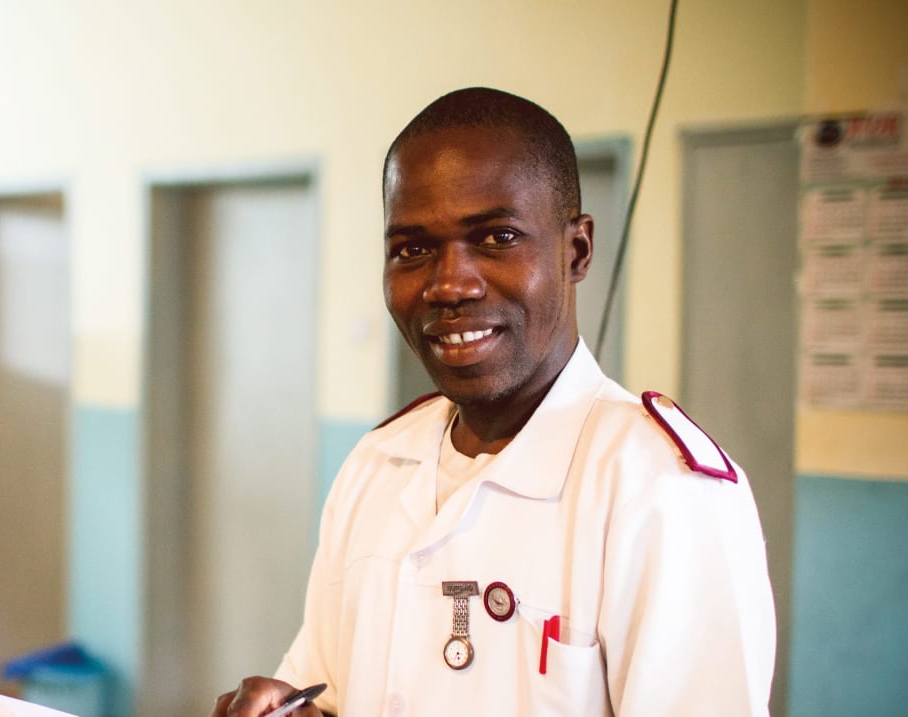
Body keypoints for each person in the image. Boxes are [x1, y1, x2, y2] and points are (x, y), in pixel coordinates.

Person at [212, 87, 775, 716]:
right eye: (412, 249)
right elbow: (325, 689)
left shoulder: (663, 493)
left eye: (497, 237)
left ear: (577, 251)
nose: (449, 283)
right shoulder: (376, 465)